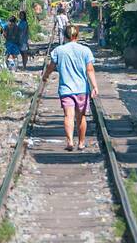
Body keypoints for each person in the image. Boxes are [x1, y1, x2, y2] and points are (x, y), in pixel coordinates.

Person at [42, 24, 99, 152]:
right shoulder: (85, 50)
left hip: (66, 89)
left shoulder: (59, 51)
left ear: (65, 36)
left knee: (68, 116)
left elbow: (51, 66)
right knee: (81, 117)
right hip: (81, 90)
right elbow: (90, 69)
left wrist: (45, 75)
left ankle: (70, 141)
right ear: (77, 35)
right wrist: (95, 86)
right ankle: (81, 143)